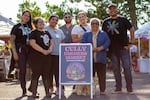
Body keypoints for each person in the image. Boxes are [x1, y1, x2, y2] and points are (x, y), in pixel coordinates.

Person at [102, 3, 134, 93]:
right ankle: (118, 87)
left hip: (124, 48)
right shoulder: (105, 22)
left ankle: (129, 87)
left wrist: (131, 42)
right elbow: (103, 35)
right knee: (116, 69)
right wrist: (105, 47)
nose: (112, 10)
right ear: (108, 11)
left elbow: (131, 29)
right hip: (112, 49)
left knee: (127, 67)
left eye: (114, 9)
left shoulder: (123, 19)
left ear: (117, 10)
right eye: (110, 9)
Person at [82, 18, 110, 95]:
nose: (94, 25)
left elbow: (107, 42)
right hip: (89, 58)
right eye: (93, 23)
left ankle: (102, 90)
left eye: (96, 23)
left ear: (99, 25)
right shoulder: (86, 34)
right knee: (90, 75)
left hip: (101, 57)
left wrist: (100, 48)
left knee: (102, 75)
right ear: (90, 25)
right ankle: (90, 90)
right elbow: (83, 43)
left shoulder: (103, 34)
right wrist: (90, 48)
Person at [28, 17, 53, 98]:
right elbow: (32, 44)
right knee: (36, 74)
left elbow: (51, 42)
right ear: (35, 24)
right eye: (39, 22)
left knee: (46, 74)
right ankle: (34, 93)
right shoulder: (33, 33)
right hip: (36, 57)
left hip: (47, 57)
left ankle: (47, 92)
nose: (42, 23)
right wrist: (43, 51)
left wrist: (49, 50)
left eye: (43, 22)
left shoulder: (47, 32)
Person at [10, 10, 32, 96]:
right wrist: (14, 52)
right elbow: (12, 40)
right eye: (25, 15)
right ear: (22, 16)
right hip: (20, 49)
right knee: (22, 70)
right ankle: (24, 89)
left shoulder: (31, 27)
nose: (26, 17)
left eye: (28, 16)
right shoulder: (16, 27)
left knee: (34, 69)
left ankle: (32, 87)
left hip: (30, 50)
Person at [45, 14, 65, 95]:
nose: (54, 21)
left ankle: (59, 88)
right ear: (49, 20)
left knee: (58, 72)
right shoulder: (45, 29)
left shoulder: (59, 30)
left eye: (56, 20)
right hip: (48, 54)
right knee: (49, 72)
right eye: (53, 19)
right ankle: (50, 88)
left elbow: (63, 40)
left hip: (58, 54)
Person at [71, 11, 91, 95]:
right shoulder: (76, 28)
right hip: (79, 51)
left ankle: (87, 88)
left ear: (86, 17)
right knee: (78, 69)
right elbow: (74, 40)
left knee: (88, 69)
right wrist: (85, 38)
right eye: (80, 17)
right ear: (78, 19)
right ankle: (76, 87)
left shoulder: (91, 26)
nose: (82, 18)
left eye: (83, 16)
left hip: (90, 51)